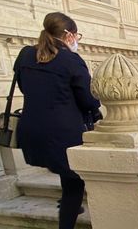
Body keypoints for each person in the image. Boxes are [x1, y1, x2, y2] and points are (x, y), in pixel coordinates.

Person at [15, 12, 101, 229]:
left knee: (66, 171)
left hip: (32, 129)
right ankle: (67, 220)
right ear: (68, 35)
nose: (77, 40)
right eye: (76, 35)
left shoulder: (25, 55)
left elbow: (25, 87)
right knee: (74, 184)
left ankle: (68, 205)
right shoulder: (71, 60)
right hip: (64, 132)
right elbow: (88, 99)